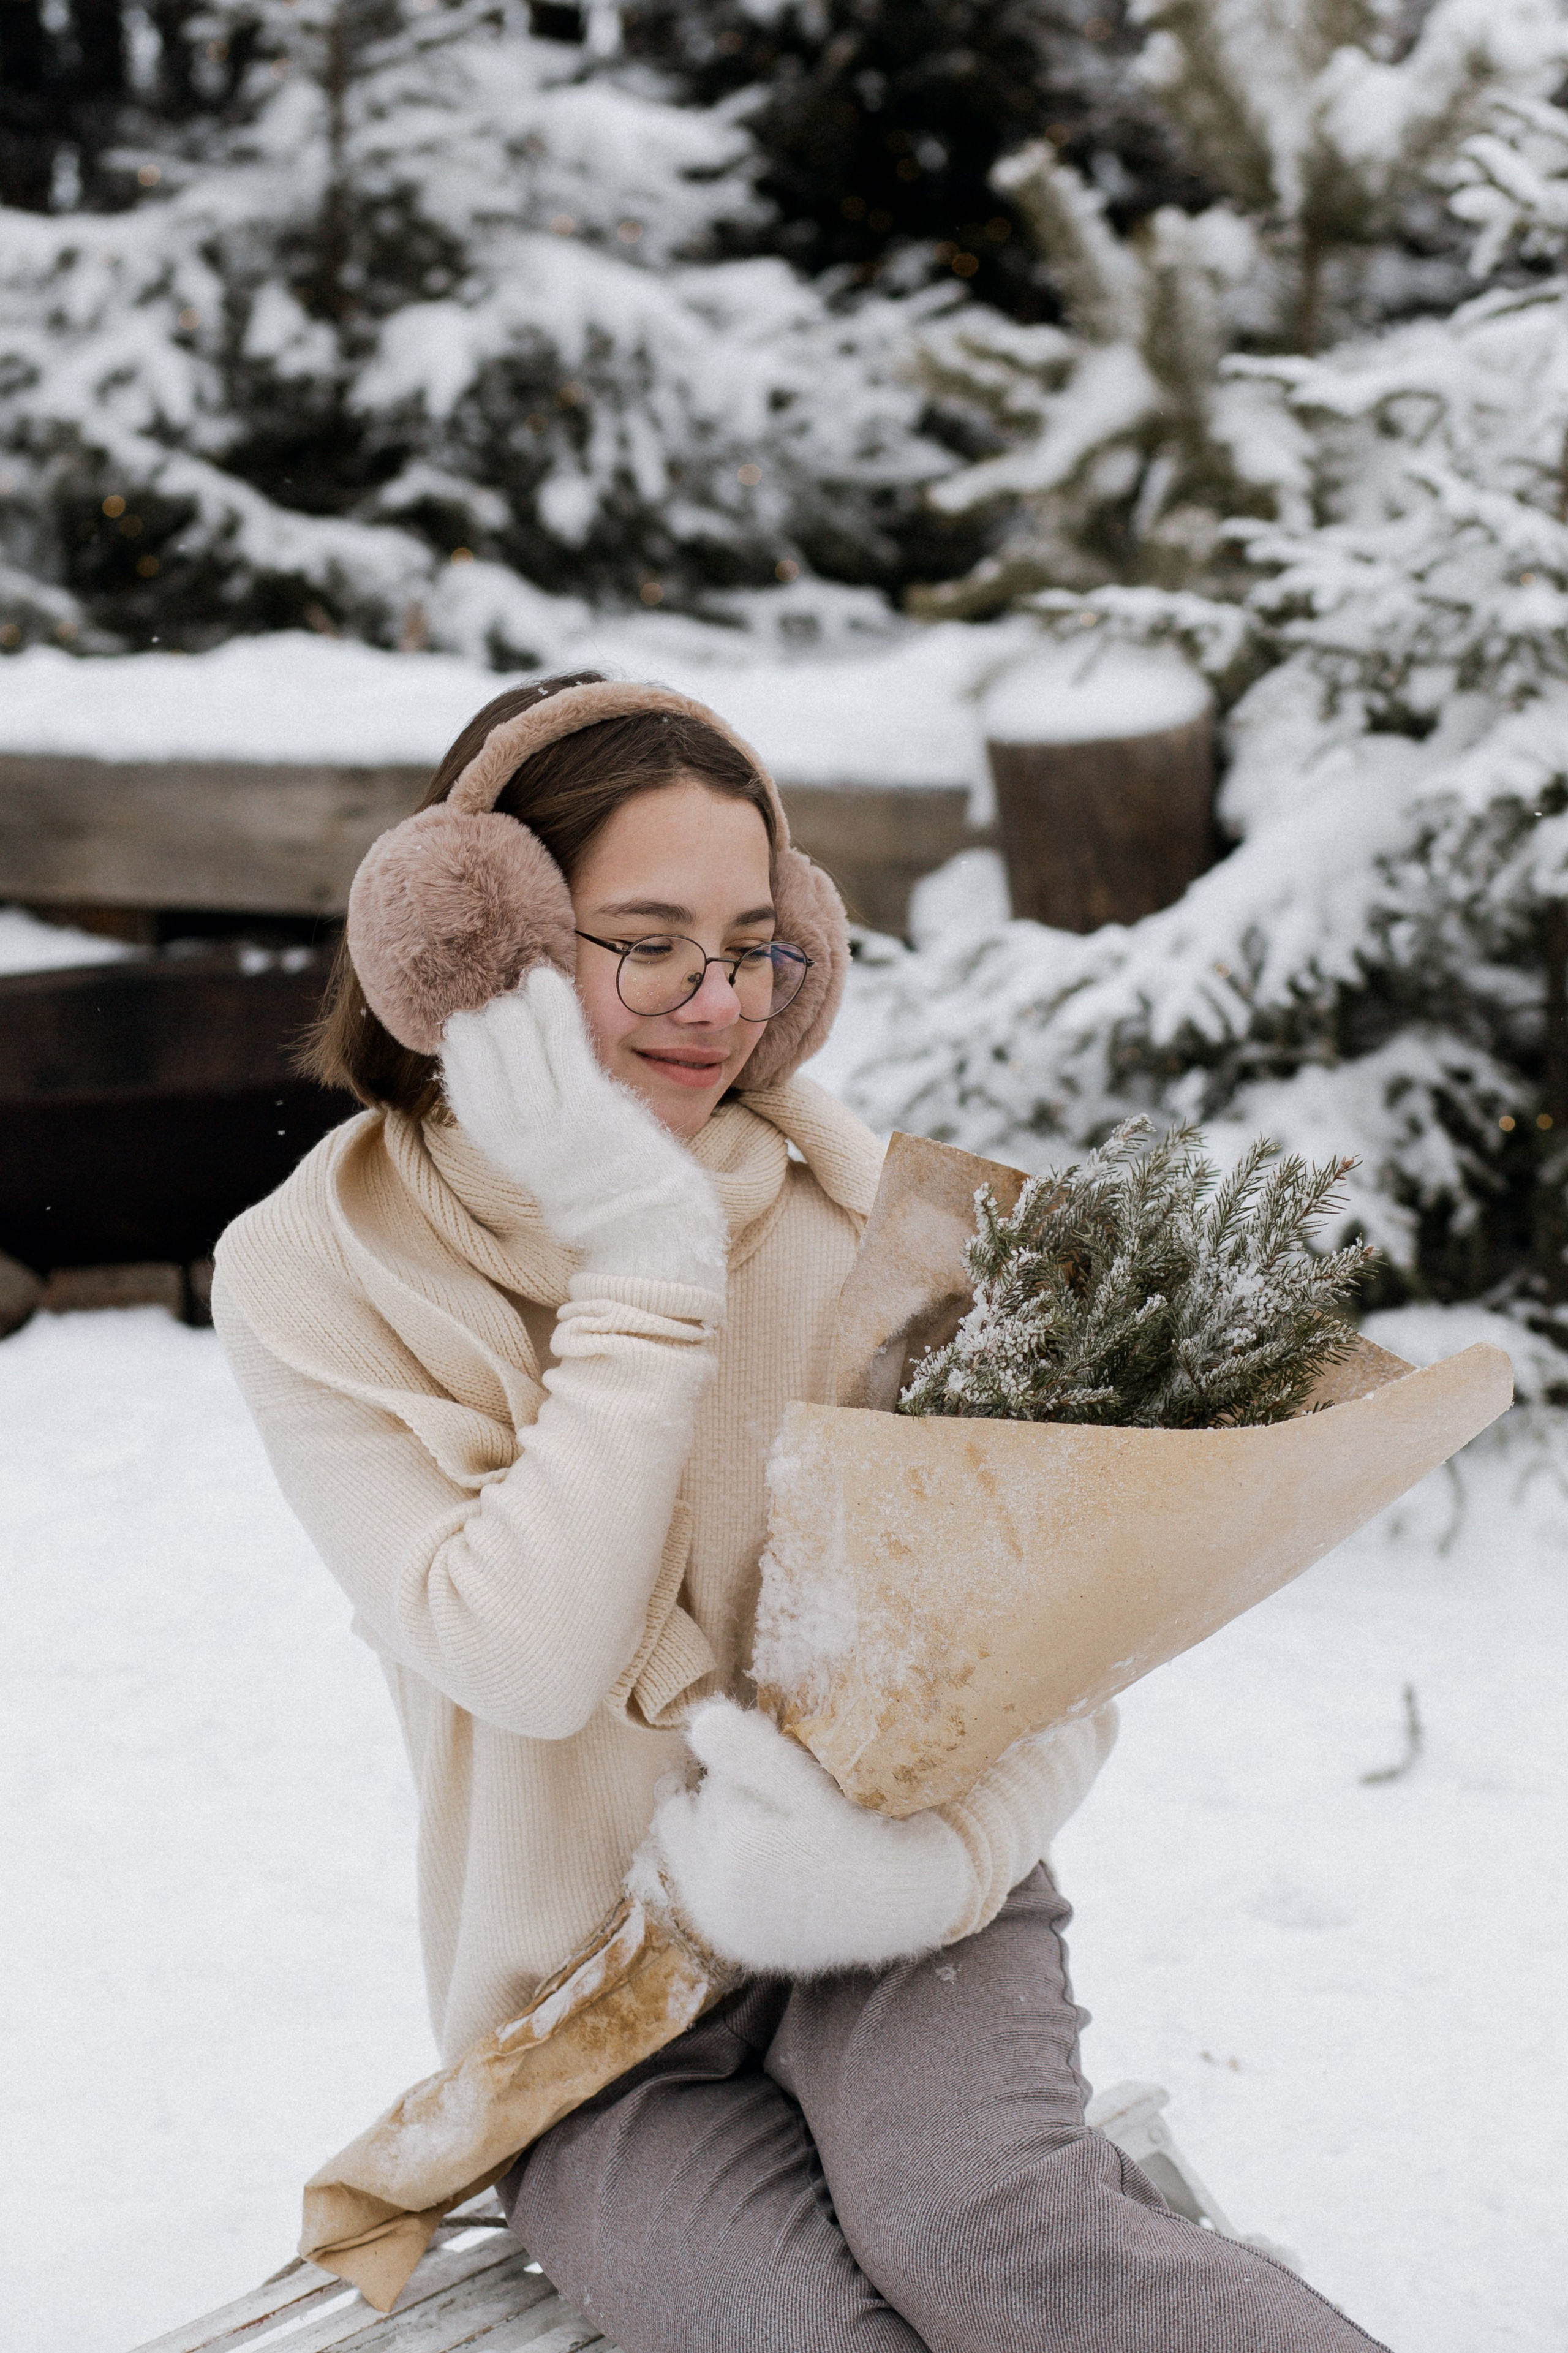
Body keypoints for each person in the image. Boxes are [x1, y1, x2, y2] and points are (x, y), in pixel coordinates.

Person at [213, 673, 1386, 2353]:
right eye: (648, 940)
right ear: (484, 950)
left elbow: (1064, 1651)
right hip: (590, 2011)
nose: (716, 1002)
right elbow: (531, 1660)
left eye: (754, 943)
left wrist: (914, 1865)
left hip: (913, 1914)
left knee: (987, 2227)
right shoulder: (321, 1273)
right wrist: (638, 1261)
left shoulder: (869, 1225)